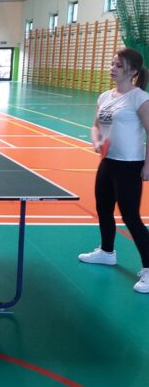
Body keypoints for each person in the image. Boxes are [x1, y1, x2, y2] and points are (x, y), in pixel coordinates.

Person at [78, 48, 149, 294]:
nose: (112, 68)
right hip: (108, 162)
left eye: (118, 65)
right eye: (112, 64)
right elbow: (95, 126)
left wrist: (147, 165)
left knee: (130, 217)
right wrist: (96, 140)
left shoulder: (139, 98)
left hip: (130, 165)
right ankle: (107, 252)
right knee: (103, 209)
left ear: (133, 71)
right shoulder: (105, 96)